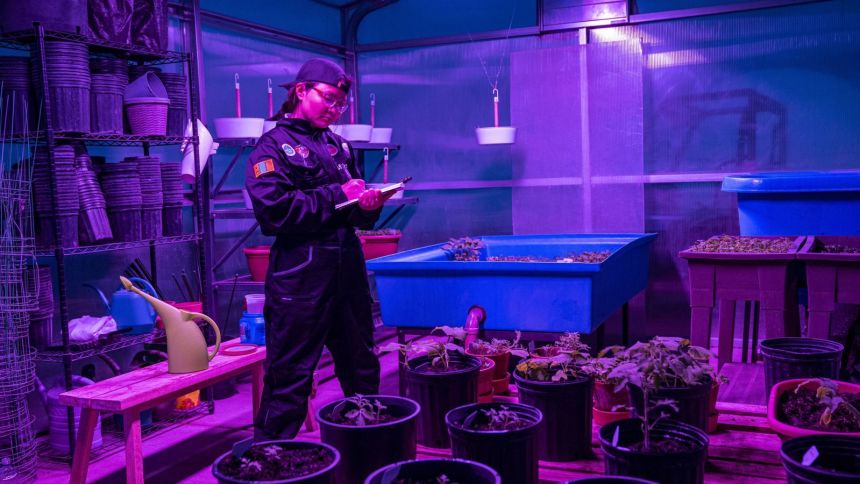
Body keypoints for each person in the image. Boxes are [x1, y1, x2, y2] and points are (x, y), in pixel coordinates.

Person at [245, 58, 396, 440]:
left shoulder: (338, 145)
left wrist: (368, 207)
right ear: (301, 90)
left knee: (362, 367)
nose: (334, 109)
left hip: (347, 271)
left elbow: (352, 211)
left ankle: (368, 447)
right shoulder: (272, 147)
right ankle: (270, 456)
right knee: (290, 376)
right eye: (328, 98)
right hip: (301, 277)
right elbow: (274, 212)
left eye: (340, 104)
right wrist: (336, 195)